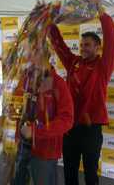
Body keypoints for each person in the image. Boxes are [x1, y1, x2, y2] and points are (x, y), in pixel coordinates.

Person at [47, 0, 114, 185]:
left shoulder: (103, 66)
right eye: (81, 45)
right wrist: (49, 23)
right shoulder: (73, 63)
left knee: (90, 174)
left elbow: (112, 40)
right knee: (69, 172)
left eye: (87, 45)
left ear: (97, 47)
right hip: (70, 126)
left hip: (91, 129)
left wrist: (100, 11)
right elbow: (59, 45)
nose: (83, 48)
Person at [13, 51, 74, 185]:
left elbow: (67, 120)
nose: (30, 62)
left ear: (46, 57)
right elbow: (16, 104)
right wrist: (13, 111)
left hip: (45, 151)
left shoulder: (58, 84)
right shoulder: (25, 79)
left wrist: (35, 131)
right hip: (23, 145)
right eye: (29, 57)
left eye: (34, 56)